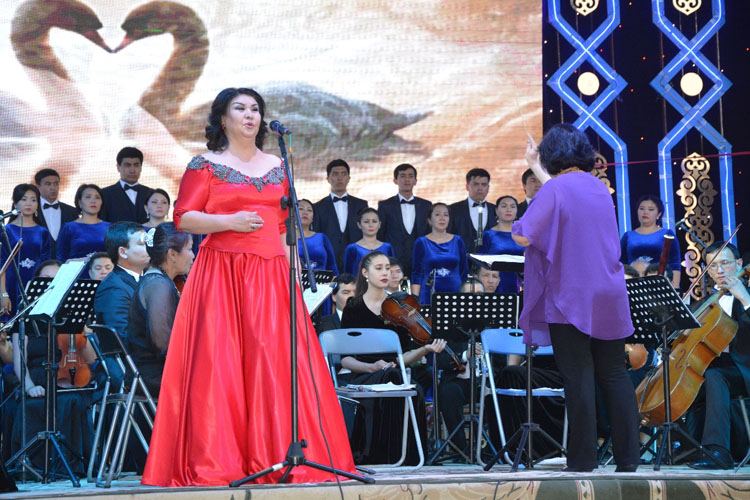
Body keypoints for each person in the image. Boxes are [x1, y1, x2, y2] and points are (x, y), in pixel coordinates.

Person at [143, 87, 355, 486]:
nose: (249, 115)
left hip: (271, 275)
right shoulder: (205, 164)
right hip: (222, 273)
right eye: (239, 108)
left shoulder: (278, 165)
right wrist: (229, 222)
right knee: (221, 364)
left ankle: (278, 453)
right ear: (223, 119)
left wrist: (293, 275)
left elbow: (284, 228)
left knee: (274, 363)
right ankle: (221, 460)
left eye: (255, 108)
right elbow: (184, 217)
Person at [512, 124, 640, 472]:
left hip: (570, 294)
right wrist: (536, 167)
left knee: (578, 376)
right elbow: (562, 195)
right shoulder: (597, 187)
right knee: (613, 374)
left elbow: (524, 236)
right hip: (609, 292)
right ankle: (629, 459)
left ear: (551, 155)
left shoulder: (555, 190)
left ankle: (583, 460)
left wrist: (522, 219)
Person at [340, 251, 445, 464]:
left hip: (394, 370)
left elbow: (402, 357)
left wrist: (425, 350)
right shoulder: (353, 307)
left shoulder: (400, 307)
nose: (385, 273)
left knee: (406, 382)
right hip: (363, 374)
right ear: (365, 273)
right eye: (379, 268)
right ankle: (385, 455)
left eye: (387, 268)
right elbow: (344, 359)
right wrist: (370, 367)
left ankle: (403, 456)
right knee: (395, 378)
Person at [686, 242, 750, 469]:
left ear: (739, 263)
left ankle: (719, 452)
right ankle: (689, 447)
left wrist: (745, 298)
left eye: (725, 263)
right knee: (691, 376)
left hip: (744, 367)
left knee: (714, 375)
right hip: (716, 364)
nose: (719, 270)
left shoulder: (747, 295)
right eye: (713, 266)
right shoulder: (705, 303)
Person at [128, 224, 193, 398]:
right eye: (189, 249)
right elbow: (163, 343)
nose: (193, 256)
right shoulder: (158, 284)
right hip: (154, 374)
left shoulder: (160, 281)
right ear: (172, 254)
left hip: (153, 370)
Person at [436, 279, 485, 453]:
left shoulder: (493, 324)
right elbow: (440, 360)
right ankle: (460, 449)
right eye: (469, 295)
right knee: (449, 393)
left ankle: (493, 448)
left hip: (485, 380)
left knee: (502, 392)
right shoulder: (449, 324)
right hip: (459, 380)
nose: (475, 299)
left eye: (479, 295)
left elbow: (502, 361)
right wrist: (465, 355)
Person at [94, 222, 149, 347]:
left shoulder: (146, 278)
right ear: (123, 252)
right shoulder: (113, 288)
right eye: (142, 244)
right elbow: (123, 337)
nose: (149, 247)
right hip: (132, 357)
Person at [0, 184, 52, 318]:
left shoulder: (43, 232)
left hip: (35, 284)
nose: (29, 203)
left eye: (33, 200)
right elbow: (2, 264)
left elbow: (45, 264)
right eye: (24, 199)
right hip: (10, 284)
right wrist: (3, 294)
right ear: (15, 203)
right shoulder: (6, 230)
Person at [313, 159, 369, 272]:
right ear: (328, 179)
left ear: (349, 178)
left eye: (343, 174)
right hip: (329, 264)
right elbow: (317, 238)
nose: (340, 178)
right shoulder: (317, 207)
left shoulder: (361, 205)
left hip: (357, 262)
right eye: (335, 174)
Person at [377, 163, 431, 277]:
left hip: (421, 260)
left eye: (410, 176)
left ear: (415, 181)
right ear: (395, 180)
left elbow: (429, 233)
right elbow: (380, 234)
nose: (407, 179)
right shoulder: (385, 206)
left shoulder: (426, 205)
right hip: (393, 261)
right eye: (402, 176)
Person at [411, 203, 469, 304]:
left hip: (455, 294)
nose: (442, 218)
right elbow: (417, 274)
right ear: (429, 220)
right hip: (429, 295)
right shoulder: (421, 242)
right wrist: (414, 300)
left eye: (446, 215)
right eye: (437, 214)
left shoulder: (458, 240)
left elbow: (464, 272)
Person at [620, 195, 681, 288]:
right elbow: (621, 263)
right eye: (642, 208)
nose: (645, 212)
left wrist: (674, 288)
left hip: (658, 283)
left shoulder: (667, 234)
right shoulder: (628, 236)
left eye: (651, 209)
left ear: (659, 214)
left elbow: (675, 264)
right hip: (633, 283)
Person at [476, 195, 525, 293]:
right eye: (504, 206)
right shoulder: (488, 235)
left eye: (512, 206)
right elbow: (480, 264)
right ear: (496, 211)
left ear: (517, 211)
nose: (508, 209)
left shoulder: (524, 236)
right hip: (494, 283)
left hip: (520, 282)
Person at [55, 184, 111, 262]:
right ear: (79, 203)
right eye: (88, 197)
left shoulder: (110, 228)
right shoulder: (69, 227)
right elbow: (61, 258)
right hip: (76, 270)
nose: (93, 201)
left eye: (97, 197)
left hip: (104, 269)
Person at [448, 169, 497, 254]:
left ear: (488, 188)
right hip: (461, 259)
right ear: (467, 186)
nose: (480, 188)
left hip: (491, 259)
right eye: (476, 184)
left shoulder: (496, 210)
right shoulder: (452, 209)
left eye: (484, 184)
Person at [101, 147, 153, 224]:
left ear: (141, 167)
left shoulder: (152, 194)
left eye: (136, 165)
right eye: (127, 165)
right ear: (118, 167)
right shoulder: (104, 194)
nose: (132, 170)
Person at [34, 168, 79, 256]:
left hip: (66, 261)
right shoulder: (31, 211)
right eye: (48, 184)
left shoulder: (71, 211)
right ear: (38, 186)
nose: (53, 188)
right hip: (39, 262)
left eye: (56, 184)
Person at [342, 208, 394, 275]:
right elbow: (347, 275)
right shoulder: (352, 248)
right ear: (359, 225)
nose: (371, 225)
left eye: (374, 221)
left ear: (379, 224)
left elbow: (392, 270)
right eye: (366, 222)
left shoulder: (387, 247)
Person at [297, 199, 338, 274]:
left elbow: (332, 265)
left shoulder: (321, 238)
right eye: (300, 209)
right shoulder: (287, 238)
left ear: (313, 218)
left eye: (309, 210)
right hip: (295, 279)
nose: (305, 212)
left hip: (322, 280)